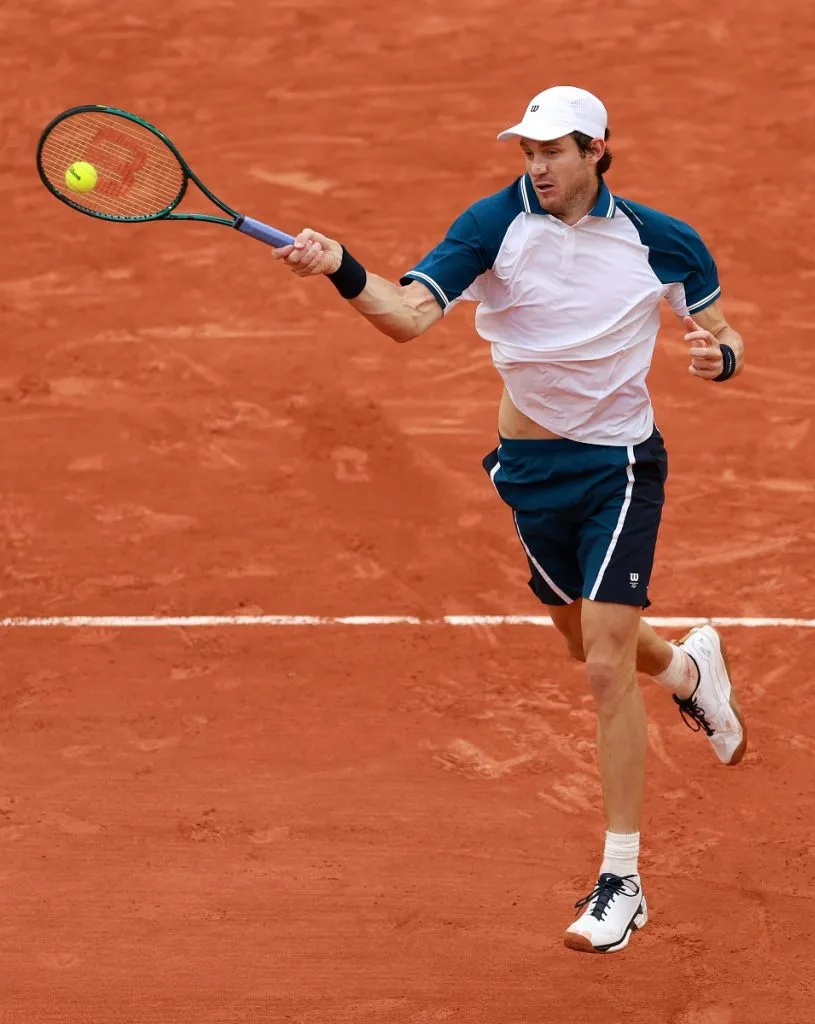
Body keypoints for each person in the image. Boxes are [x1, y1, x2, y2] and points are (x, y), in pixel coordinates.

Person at [271, 85, 747, 954]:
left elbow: (719, 330)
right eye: (527, 151)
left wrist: (720, 357)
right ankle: (685, 670)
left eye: (553, 151)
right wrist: (341, 265)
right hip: (529, 472)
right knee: (586, 642)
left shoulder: (660, 240)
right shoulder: (494, 224)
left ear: (597, 150)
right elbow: (410, 317)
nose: (535, 166)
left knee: (603, 665)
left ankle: (621, 878)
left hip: (619, 468)